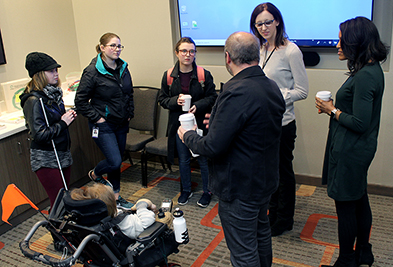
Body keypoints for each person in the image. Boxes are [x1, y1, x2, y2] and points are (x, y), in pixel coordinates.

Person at [178, 32, 285, 267]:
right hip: (264, 180)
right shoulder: (271, 86)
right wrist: (218, 122)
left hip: (240, 186)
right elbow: (252, 128)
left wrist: (188, 136)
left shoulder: (236, 91)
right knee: (260, 235)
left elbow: (212, 146)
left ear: (228, 57)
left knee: (243, 251)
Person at [316, 17, 388, 267]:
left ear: (355, 42)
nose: (337, 45)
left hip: (351, 149)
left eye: (341, 39)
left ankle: (347, 260)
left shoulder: (367, 75)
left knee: (346, 206)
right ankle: (363, 252)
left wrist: (332, 110)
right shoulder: (370, 69)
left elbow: (360, 123)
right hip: (356, 149)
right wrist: (334, 110)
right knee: (359, 199)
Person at [250, 2, 309, 237]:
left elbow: (302, 91)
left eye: (267, 22)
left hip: (283, 123)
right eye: (258, 24)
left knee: (283, 173)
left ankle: (285, 219)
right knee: (268, 173)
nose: (263, 27)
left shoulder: (291, 51)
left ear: (277, 21)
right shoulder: (260, 49)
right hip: (262, 122)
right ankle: (271, 213)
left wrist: (276, 97)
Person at [75, 33, 134, 210]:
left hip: (121, 122)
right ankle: (95, 173)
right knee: (114, 161)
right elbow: (80, 101)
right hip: (103, 124)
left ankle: (115, 195)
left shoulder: (123, 67)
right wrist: (97, 118)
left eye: (119, 46)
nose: (117, 49)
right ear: (102, 48)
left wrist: (130, 112)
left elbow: (128, 93)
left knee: (117, 162)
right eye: (112, 46)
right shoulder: (92, 71)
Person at [159, 37, 217, 207]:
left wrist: (197, 106)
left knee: (203, 159)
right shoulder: (169, 76)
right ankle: (186, 190)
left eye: (192, 51)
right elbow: (162, 99)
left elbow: (213, 97)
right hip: (179, 126)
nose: (188, 54)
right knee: (183, 159)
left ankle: (207, 191)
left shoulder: (203, 75)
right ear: (177, 53)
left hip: (199, 124)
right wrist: (174, 101)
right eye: (184, 51)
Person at [20, 52, 77, 210]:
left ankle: (65, 233)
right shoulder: (33, 100)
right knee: (59, 202)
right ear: (39, 75)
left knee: (65, 198)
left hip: (62, 152)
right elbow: (39, 135)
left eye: (56, 70)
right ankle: (59, 234)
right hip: (47, 158)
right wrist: (63, 123)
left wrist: (66, 119)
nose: (56, 74)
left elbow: (55, 124)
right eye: (51, 71)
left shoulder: (54, 95)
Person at [70, 183, 156, 239]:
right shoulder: (121, 221)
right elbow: (145, 222)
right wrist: (142, 205)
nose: (116, 198)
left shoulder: (84, 220)